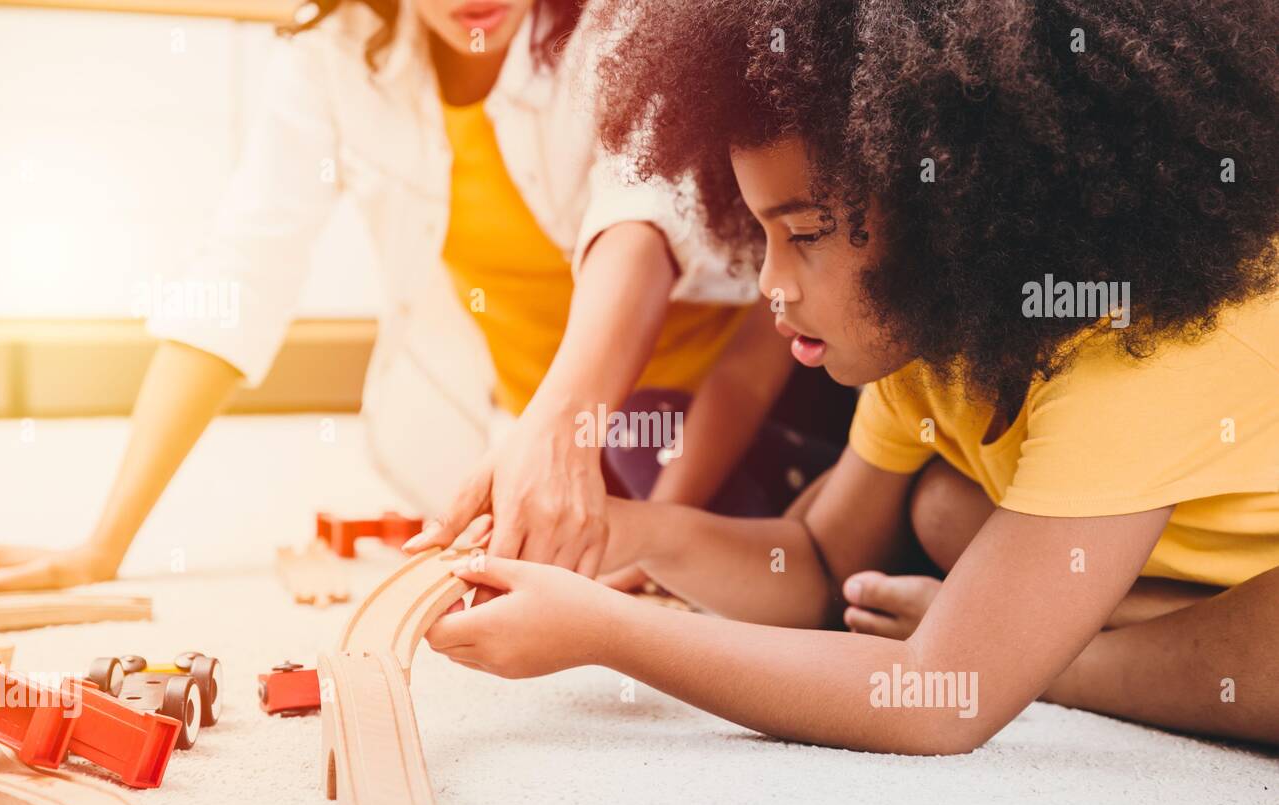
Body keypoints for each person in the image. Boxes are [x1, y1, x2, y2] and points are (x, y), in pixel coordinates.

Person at [416, 0, 1279, 753]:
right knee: (942, 509)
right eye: (761, 234)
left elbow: (944, 701)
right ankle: (1050, 633)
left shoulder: (1132, 355)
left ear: (954, 210)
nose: (768, 285)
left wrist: (607, 631)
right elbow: (821, 566)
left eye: (809, 234)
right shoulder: (929, 343)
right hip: (1191, 560)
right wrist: (623, 533)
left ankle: (1070, 664)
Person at [0, 0, 789, 591]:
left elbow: (636, 224)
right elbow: (240, 274)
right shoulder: (335, 55)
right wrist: (103, 543)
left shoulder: (626, 25)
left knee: (746, 550)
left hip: (712, 398)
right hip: (547, 425)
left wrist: (586, 454)